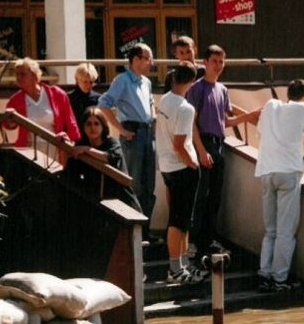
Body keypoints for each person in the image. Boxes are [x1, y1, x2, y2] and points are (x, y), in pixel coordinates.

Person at [185, 44, 260, 272]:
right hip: (204, 143)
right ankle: (194, 245)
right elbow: (191, 122)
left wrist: (248, 117)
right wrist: (200, 151)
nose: (218, 66)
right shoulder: (196, 89)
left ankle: (207, 241)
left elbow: (224, 120)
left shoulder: (222, 89)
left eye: (221, 62)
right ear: (205, 62)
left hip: (219, 144)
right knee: (201, 197)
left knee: (215, 197)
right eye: (214, 61)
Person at [255, 79, 304, 292]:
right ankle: (279, 279)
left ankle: (263, 273)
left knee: (270, 229)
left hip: (266, 171)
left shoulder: (271, 106)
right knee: (286, 230)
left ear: (287, 94)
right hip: (288, 172)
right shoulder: (303, 108)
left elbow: (260, 132)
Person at [98, 43, 158, 240]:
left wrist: (154, 118)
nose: (151, 63)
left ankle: (146, 231)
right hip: (133, 132)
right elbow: (104, 104)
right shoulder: (122, 80)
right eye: (148, 58)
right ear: (136, 59)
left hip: (148, 133)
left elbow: (150, 103)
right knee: (135, 183)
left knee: (149, 186)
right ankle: (136, 233)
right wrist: (120, 129)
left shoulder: (146, 82)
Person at [155, 61, 204, 285]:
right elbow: (179, 144)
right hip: (181, 168)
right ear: (191, 83)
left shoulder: (164, 99)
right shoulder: (185, 108)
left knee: (182, 219)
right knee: (179, 220)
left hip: (166, 166)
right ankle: (175, 268)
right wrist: (193, 164)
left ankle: (182, 265)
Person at [2, 57, 81, 168]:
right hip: (29, 150)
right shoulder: (16, 100)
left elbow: (71, 123)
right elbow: (8, 125)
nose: (18, 78)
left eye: (22, 74)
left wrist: (70, 145)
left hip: (55, 149)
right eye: (17, 75)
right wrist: (10, 119)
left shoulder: (57, 94)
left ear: (34, 75)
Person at [69, 106, 142, 211]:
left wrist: (87, 150)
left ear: (103, 126)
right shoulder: (81, 145)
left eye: (96, 123)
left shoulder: (112, 143)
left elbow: (110, 158)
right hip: (97, 202)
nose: (92, 128)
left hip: (122, 201)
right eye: (88, 124)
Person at [68, 62, 101, 133]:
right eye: (85, 82)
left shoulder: (98, 98)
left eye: (91, 82)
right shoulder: (68, 98)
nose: (88, 85)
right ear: (77, 80)